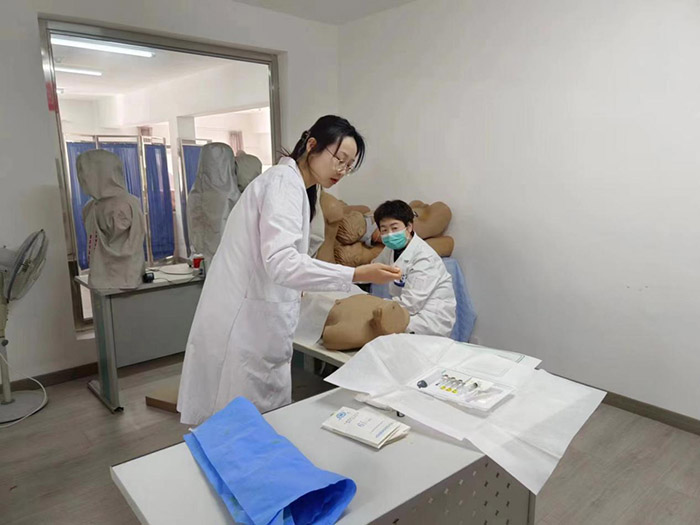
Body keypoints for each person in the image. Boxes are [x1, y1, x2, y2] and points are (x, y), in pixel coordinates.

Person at [178, 116, 401, 425]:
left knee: (251, 423)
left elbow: (286, 257)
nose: (342, 170)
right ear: (312, 145)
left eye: (349, 166)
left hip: (260, 317)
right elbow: (282, 262)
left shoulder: (299, 188)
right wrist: (356, 275)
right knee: (242, 424)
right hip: (245, 324)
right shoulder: (283, 183)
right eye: (339, 159)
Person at [372, 200, 456, 337]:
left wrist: (375, 307)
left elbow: (411, 303)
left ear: (409, 227)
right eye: (384, 230)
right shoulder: (391, 249)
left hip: (428, 320)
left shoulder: (424, 257)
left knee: (375, 328)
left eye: (395, 228)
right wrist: (350, 276)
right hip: (406, 310)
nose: (390, 234)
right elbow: (374, 268)